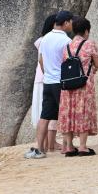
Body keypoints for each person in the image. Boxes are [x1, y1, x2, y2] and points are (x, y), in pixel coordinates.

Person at [28, 11, 73, 159]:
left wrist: (47, 72)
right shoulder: (66, 41)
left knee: (45, 115)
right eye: (70, 22)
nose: (71, 25)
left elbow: (41, 60)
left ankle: (40, 148)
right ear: (65, 23)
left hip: (47, 81)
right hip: (60, 82)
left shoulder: (45, 39)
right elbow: (69, 62)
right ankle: (68, 146)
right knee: (66, 113)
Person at [57, 17, 98, 156]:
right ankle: (83, 146)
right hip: (84, 85)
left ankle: (69, 147)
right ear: (86, 31)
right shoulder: (89, 44)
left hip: (69, 85)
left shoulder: (66, 47)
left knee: (68, 113)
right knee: (83, 112)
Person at [26, 13, 60, 159]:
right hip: (47, 78)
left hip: (42, 77)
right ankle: (49, 143)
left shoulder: (42, 40)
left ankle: (47, 143)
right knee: (46, 111)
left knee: (44, 111)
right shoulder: (46, 40)